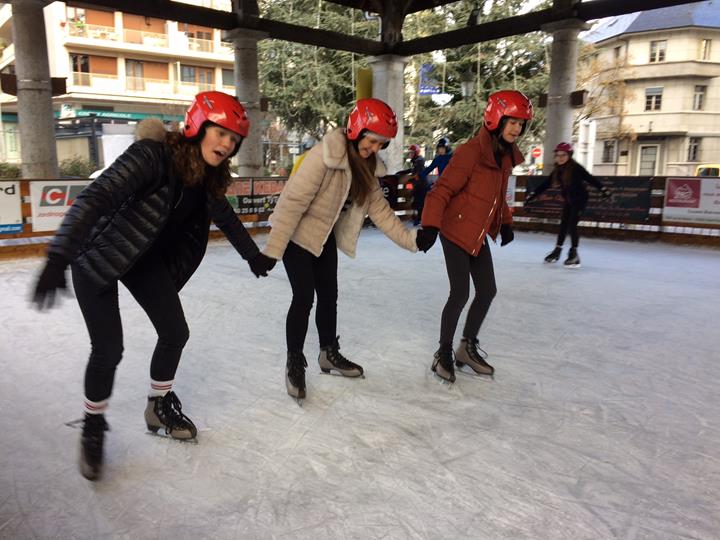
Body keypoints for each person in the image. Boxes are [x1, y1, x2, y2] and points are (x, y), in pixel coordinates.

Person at [31, 91, 274, 480]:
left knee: (175, 331)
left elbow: (225, 217)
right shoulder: (152, 157)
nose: (227, 145)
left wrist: (252, 255)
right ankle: (93, 426)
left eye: (234, 139)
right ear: (198, 126)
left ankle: (157, 406)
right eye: (221, 133)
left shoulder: (206, 178)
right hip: (98, 254)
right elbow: (94, 198)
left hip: (144, 260)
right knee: (109, 349)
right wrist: (58, 255)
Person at [254, 98, 434, 401]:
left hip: (324, 240)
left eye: (381, 143)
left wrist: (413, 241)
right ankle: (294, 362)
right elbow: (291, 203)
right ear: (356, 130)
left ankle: (328, 353)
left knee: (329, 297)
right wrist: (273, 250)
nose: (375, 148)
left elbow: (381, 212)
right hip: (297, 238)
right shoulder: (323, 157)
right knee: (303, 297)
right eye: (372, 140)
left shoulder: (366, 170)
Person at [421, 90, 533, 383]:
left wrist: (505, 223)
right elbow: (441, 190)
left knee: (487, 290)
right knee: (460, 292)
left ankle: (465, 348)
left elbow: (498, 198)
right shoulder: (471, 152)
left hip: (476, 233)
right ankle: (443, 352)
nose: (516, 129)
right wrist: (430, 226)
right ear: (495, 118)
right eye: (511, 122)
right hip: (454, 231)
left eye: (521, 124)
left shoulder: (503, 157)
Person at [525, 142, 610, 268]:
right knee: (563, 225)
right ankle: (557, 251)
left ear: (569, 155)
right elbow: (545, 184)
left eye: (563, 155)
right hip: (569, 201)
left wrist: (603, 189)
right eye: (558, 155)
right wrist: (532, 196)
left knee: (572, 225)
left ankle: (574, 254)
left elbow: (590, 178)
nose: (560, 158)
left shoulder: (576, 168)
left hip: (580, 200)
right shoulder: (558, 170)